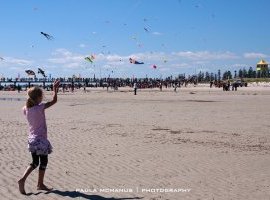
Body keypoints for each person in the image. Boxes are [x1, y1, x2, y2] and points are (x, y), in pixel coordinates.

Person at [18, 80, 60, 195]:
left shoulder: (25, 109)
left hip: (32, 140)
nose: (42, 98)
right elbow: (54, 101)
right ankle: (40, 184)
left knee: (35, 162)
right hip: (41, 140)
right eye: (41, 96)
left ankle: (23, 179)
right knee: (44, 162)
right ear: (38, 98)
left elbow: (29, 106)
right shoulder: (40, 107)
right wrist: (55, 89)